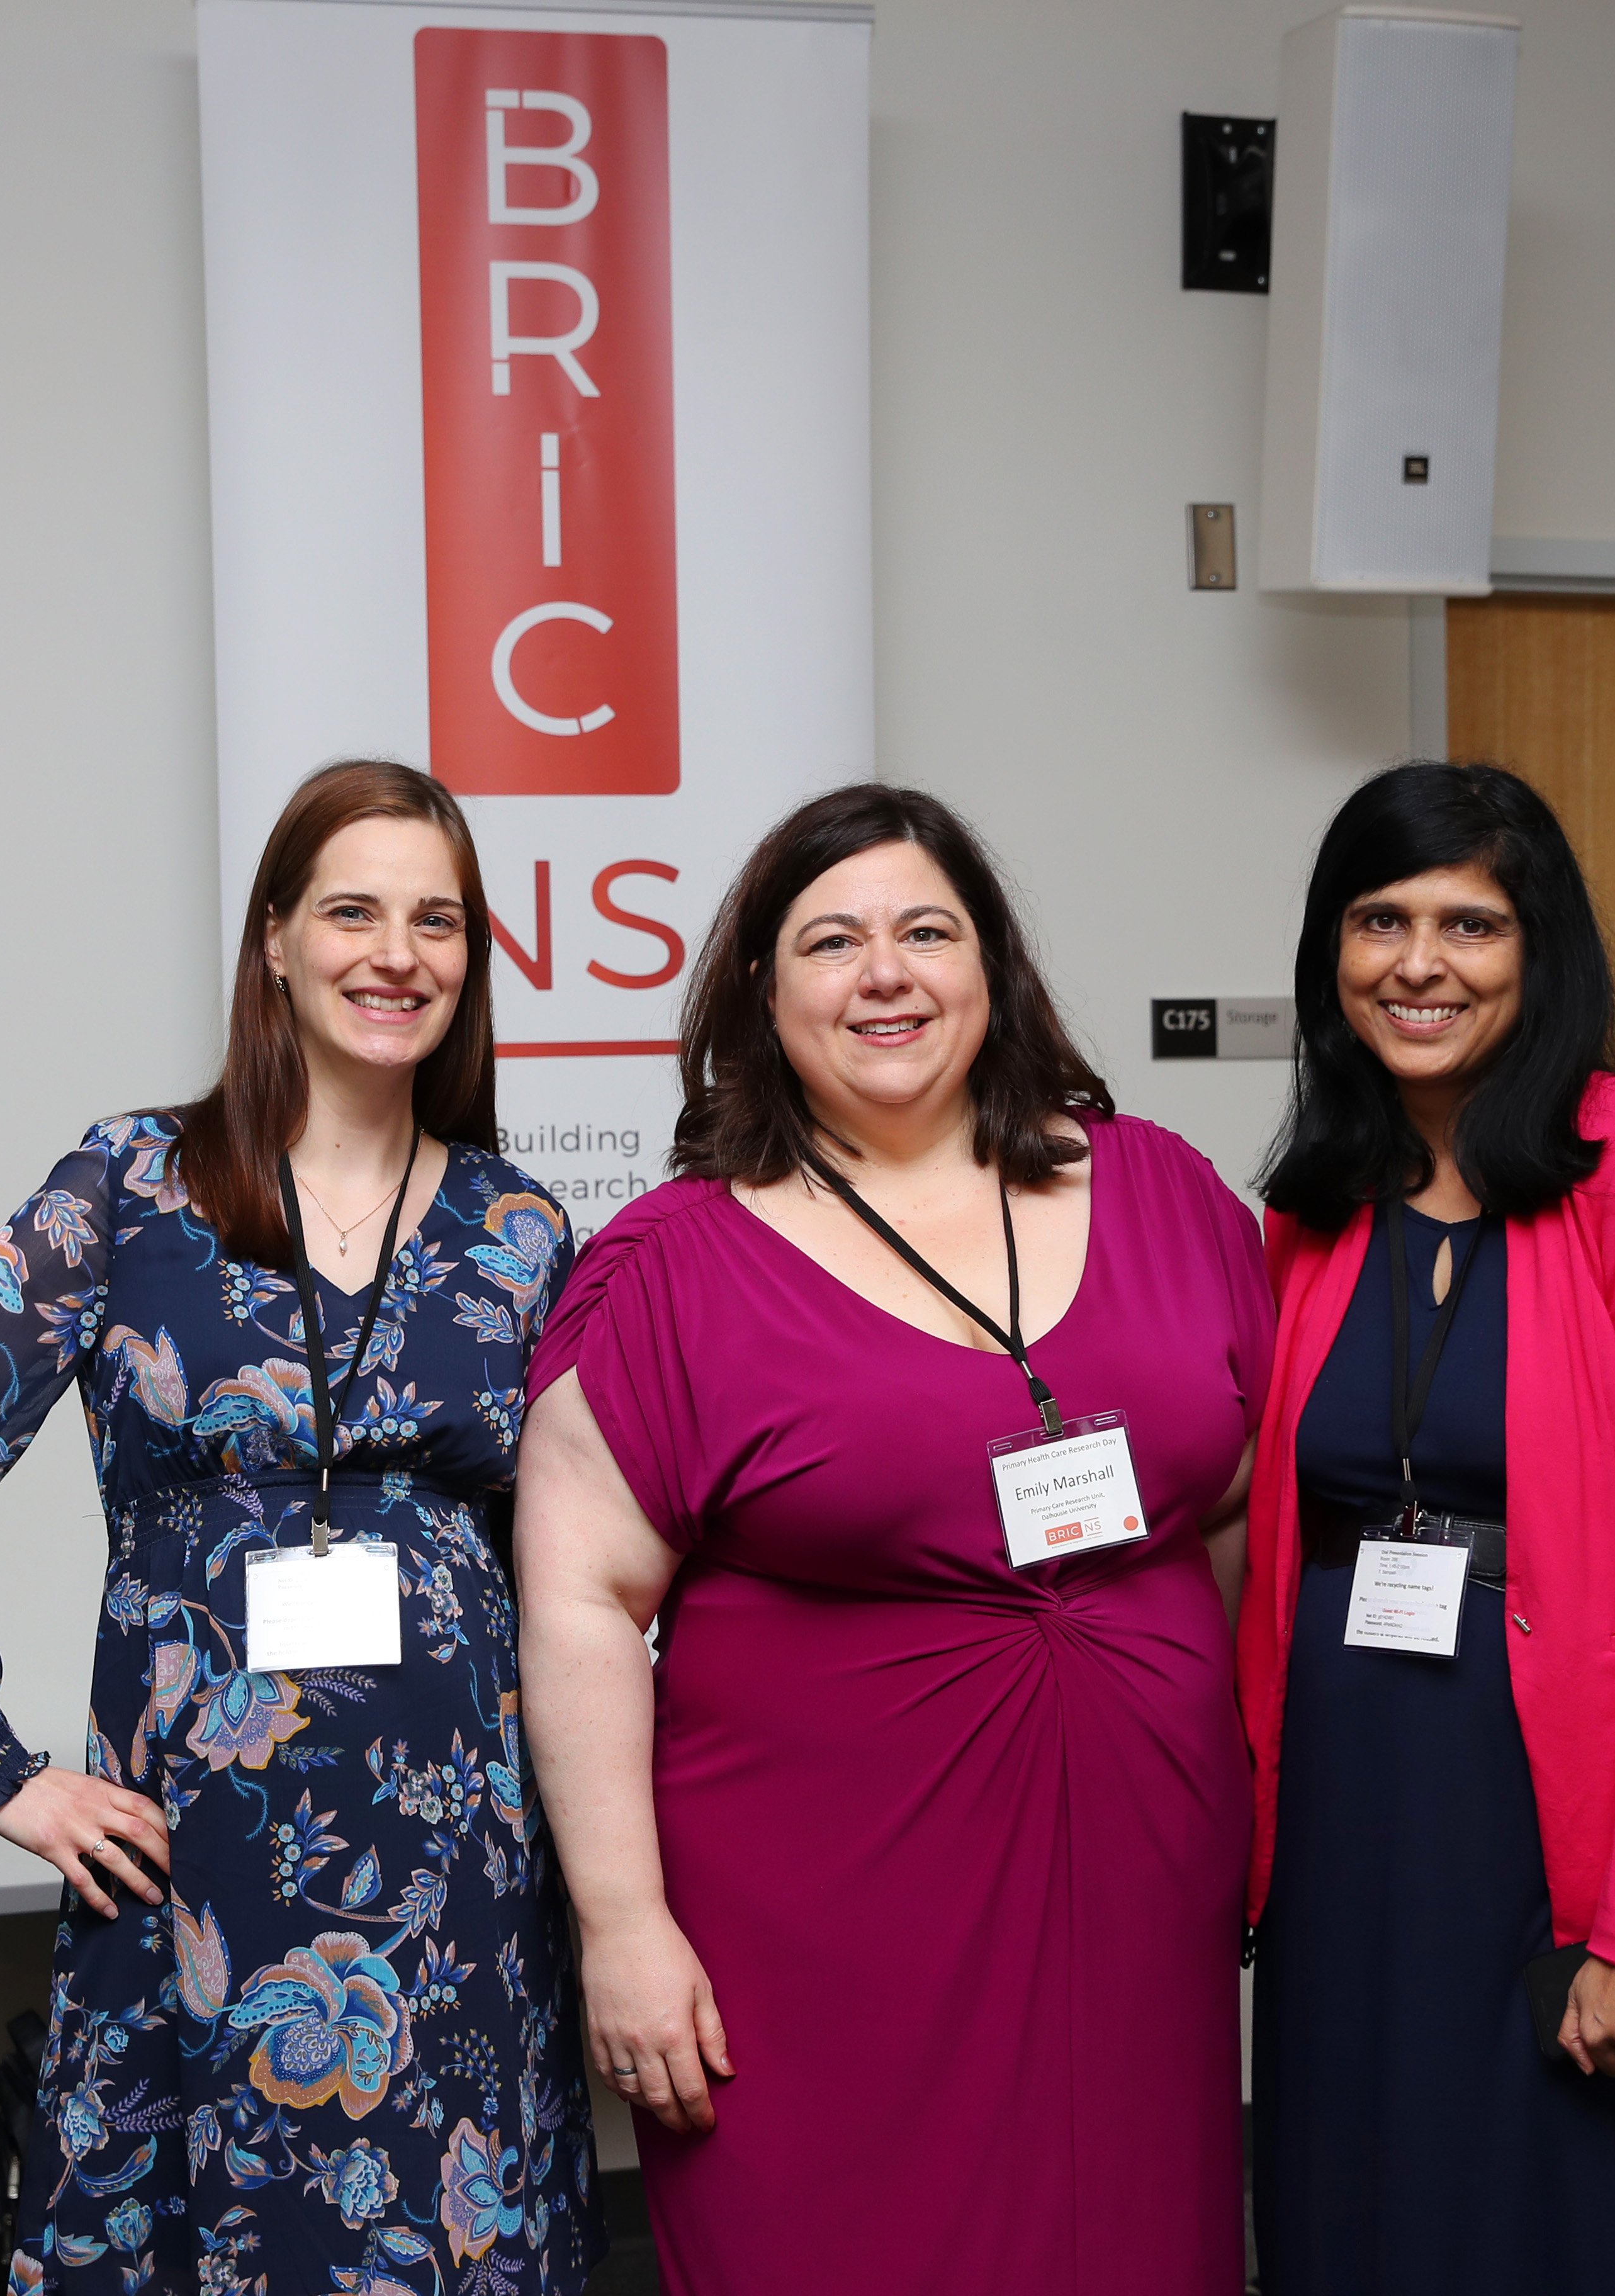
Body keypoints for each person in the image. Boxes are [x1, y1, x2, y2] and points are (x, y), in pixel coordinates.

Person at [0, 760, 603, 2293]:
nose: (398, 953)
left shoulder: (520, 1233)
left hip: (471, 1868)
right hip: (205, 1860)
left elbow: (588, 1563)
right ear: (277, 943)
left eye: (438, 920)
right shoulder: (131, 1187)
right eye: (354, 911)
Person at [515, 783, 1271, 2292]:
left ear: (991, 966)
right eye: (832, 941)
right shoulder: (676, 1267)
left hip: (1138, 1902)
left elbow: (1244, 1511)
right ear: (758, 989)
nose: (887, 974)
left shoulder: (1168, 1193)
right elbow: (583, 1604)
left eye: (927, 931)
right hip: (815, 1935)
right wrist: (623, 1924)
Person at [1242, 760, 1615, 2295]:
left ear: (1537, 949)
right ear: (1331, 952)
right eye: (1379, 920)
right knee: (1366, 2189)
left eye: (1471, 924)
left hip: (1572, 1793)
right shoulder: (1317, 1196)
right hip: (1354, 1792)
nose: (1419, 964)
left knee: (1577, 2216)